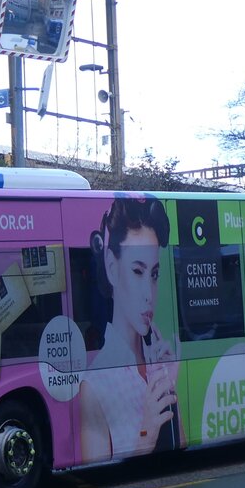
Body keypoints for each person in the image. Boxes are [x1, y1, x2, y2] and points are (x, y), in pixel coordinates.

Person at [80, 195, 182, 462]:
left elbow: (180, 453)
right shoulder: (94, 385)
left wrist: (171, 390)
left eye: (155, 274)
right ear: (112, 269)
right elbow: (98, 480)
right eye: (138, 271)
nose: (149, 293)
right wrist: (146, 434)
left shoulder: (159, 364)